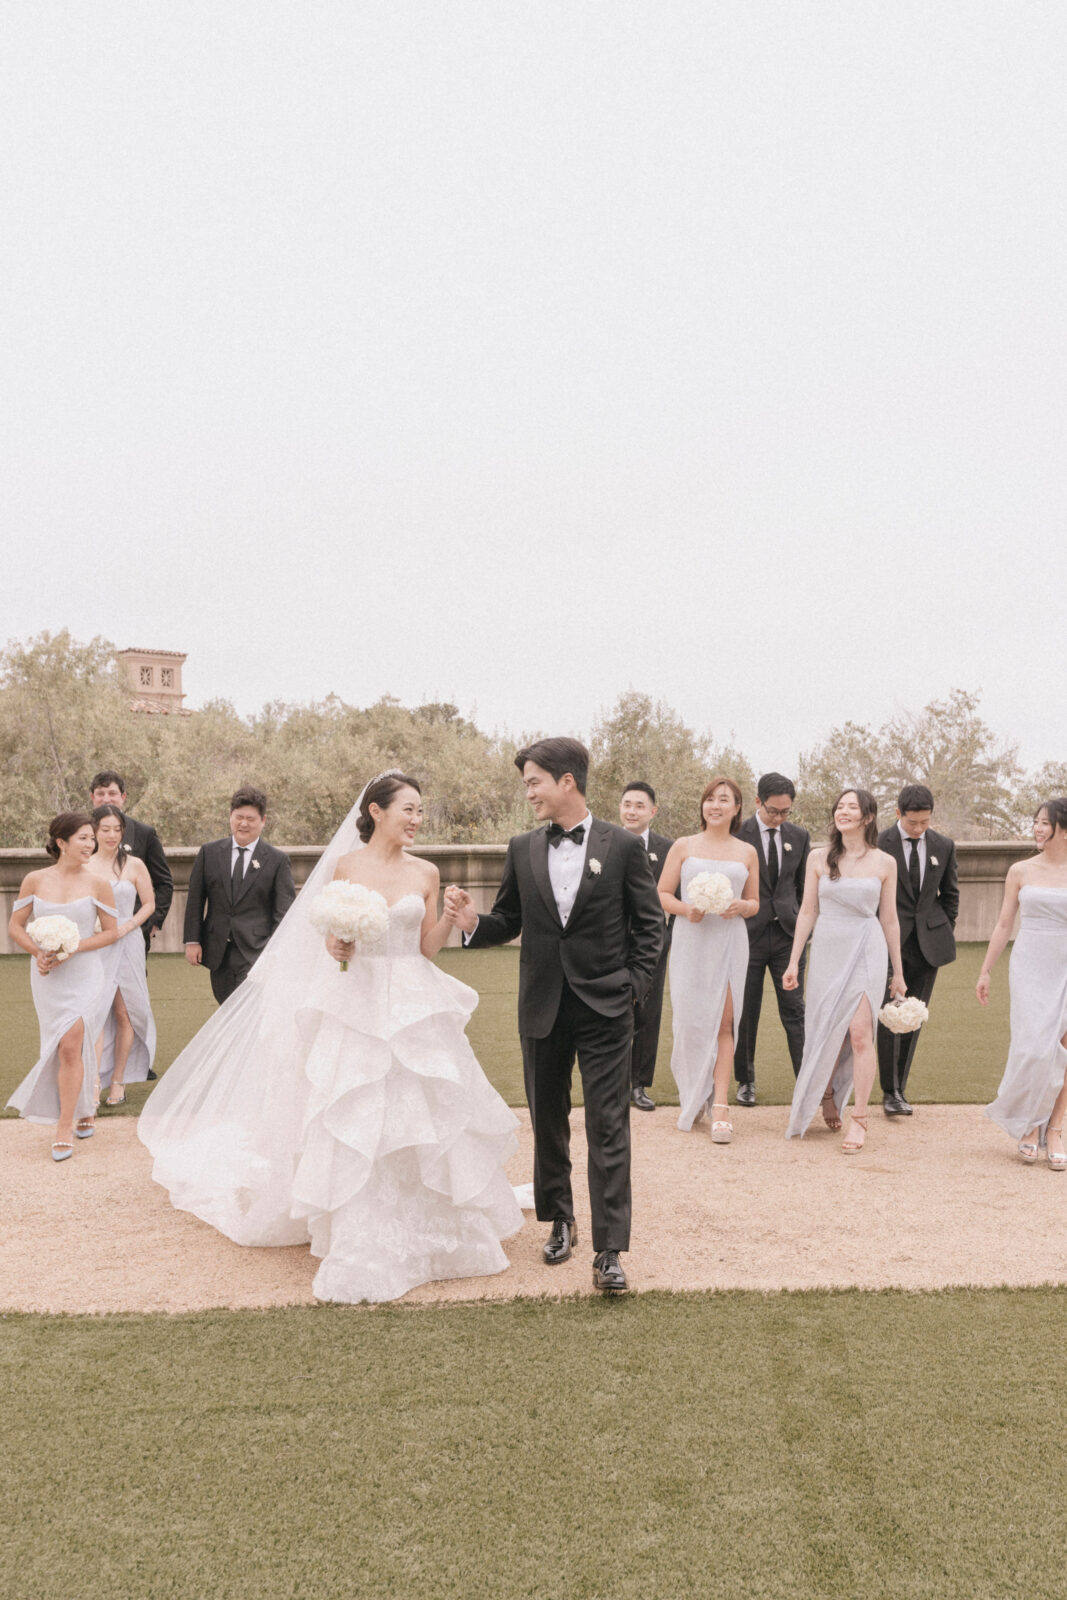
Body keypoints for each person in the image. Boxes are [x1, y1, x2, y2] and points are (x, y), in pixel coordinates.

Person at [140, 773, 523, 1304]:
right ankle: (357, 1225)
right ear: (376, 810)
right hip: (357, 1002)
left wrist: (457, 921)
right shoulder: (345, 866)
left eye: (420, 811)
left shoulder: (427, 871)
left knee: (422, 1107)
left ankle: (436, 1226)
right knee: (357, 1105)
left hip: (413, 1002)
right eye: (408, 809)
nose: (416, 819)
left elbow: (427, 949)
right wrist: (337, 945)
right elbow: (326, 935)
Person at [445, 738, 664, 1295]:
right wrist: (474, 923)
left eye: (534, 781)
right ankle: (559, 1220)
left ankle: (610, 1250)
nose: (529, 792)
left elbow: (649, 927)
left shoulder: (621, 847)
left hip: (606, 1009)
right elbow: (508, 920)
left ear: (568, 781)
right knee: (547, 1121)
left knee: (608, 1125)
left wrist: (633, 989)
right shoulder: (521, 847)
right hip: (541, 1006)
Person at [784, 789, 906, 1152]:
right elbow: (807, 911)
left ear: (868, 817)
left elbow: (890, 919)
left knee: (859, 1032)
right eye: (840, 806)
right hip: (828, 948)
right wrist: (793, 961)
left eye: (852, 807)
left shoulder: (885, 862)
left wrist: (897, 973)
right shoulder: (818, 858)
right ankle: (825, 1091)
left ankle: (861, 1118)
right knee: (828, 1029)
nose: (844, 812)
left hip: (867, 946)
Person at [7, 813, 119, 1159]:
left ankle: (63, 1125)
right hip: (47, 975)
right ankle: (85, 1106)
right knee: (63, 1046)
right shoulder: (34, 880)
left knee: (71, 1044)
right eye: (83, 838)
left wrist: (74, 947)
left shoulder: (99, 883)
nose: (91, 844)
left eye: (91, 838)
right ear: (61, 843)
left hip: (85, 973)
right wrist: (38, 953)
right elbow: (15, 926)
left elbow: (112, 931)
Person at [657, 777, 759, 1144]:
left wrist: (741, 906)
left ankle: (720, 1107)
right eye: (710, 799)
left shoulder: (746, 852)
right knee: (688, 1023)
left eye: (724, 800)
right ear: (703, 806)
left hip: (729, 942)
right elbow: (662, 894)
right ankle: (694, 1092)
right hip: (691, 940)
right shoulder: (683, 846)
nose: (716, 805)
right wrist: (686, 909)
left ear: (736, 809)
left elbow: (755, 903)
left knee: (724, 1025)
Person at [981, 797, 1067, 1168]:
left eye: (1045, 822)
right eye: (1035, 821)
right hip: (1031, 962)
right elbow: (1004, 924)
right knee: (1033, 1048)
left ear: (1063, 828)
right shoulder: (1020, 870)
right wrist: (985, 970)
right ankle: (1029, 1124)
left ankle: (1057, 1127)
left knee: (1064, 1047)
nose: (1037, 827)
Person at [875, 783, 959, 1117]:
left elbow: (950, 895)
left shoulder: (943, 845)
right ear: (898, 814)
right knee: (888, 1014)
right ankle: (888, 1090)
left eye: (925, 821)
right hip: (887, 942)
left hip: (929, 946)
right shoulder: (879, 843)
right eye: (913, 822)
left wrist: (941, 929)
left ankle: (900, 1089)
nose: (919, 828)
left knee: (912, 1016)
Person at [734, 773, 811, 1105]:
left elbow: (805, 888)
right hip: (746, 935)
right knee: (746, 1011)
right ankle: (745, 1081)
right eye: (773, 811)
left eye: (785, 812)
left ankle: (807, 1080)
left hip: (787, 937)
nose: (779, 818)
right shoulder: (738, 834)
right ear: (757, 802)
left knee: (794, 1010)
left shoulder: (800, 836)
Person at [184, 786, 296, 1004]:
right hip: (218, 950)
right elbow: (195, 900)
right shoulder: (210, 852)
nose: (244, 823)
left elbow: (283, 912)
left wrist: (275, 952)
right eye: (239, 817)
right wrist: (192, 940)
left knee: (247, 1011)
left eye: (250, 818)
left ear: (263, 820)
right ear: (230, 817)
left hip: (257, 951)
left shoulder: (277, 860)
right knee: (225, 1007)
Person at [91, 803, 158, 1105]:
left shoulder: (135, 865)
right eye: (105, 829)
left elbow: (149, 904)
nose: (112, 835)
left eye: (117, 829)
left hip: (128, 942)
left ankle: (118, 1081)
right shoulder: (84, 865)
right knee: (95, 1013)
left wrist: (129, 926)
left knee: (124, 1011)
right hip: (95, 944)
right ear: (94, 831)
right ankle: (93, 1081)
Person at [618, 781, 673, 1111]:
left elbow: (674, 894)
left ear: (652, 811)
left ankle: (639, 1084)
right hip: (612, 941)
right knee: (615, 1011)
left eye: (639, 805)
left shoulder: (667, 849)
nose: (632, 811)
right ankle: (615, 1083)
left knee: (648, 1012)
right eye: (627, 804)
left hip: (652, 942)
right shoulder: (605, 841)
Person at [89, 771, 173, 954]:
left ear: (123, 797)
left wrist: (153, 923)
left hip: (133, 930)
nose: (106, 799)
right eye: (100, 794)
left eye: (112, 793)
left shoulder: (144, 833)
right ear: (92, 797)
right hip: (88, 933)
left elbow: (163, 883)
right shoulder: (81, 833)